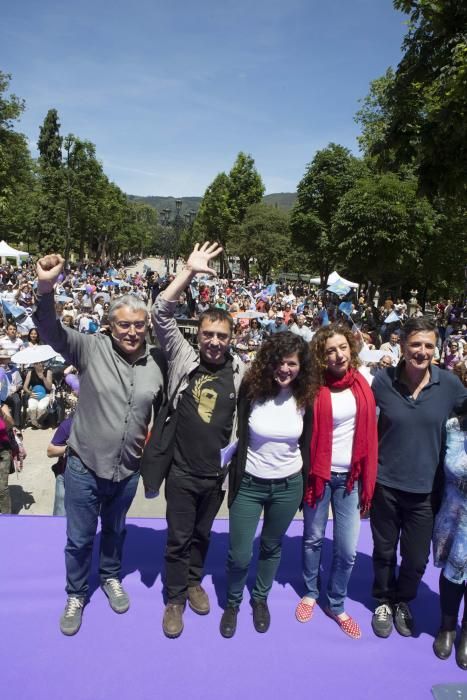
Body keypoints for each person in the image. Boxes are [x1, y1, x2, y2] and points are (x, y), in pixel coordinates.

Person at [33, 253, 165, 636]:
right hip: (85, 467)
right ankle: (76, 593)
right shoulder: (90, 348)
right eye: (124, 325)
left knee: (116, 531)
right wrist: (45, 287)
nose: (132, 332)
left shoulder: (156, 361)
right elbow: (50, 330)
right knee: (78, 538)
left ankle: (109, 576)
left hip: (127, 469)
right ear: (110, 325)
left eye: (139, 325)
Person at [151, 242, 246, 639]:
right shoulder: (183, 358)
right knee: (177, 537)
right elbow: (160, 312)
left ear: (231, 337)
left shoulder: (240, 369)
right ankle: (174, 599)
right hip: (181, 471)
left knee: (202, 535)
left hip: (215, 475)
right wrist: (188, 272)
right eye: (208, 334)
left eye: (221, 336)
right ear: (199, 334)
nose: (213, 342)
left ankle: (194, 581)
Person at [370, 317, 467, 639]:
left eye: (428, 345)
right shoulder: (382, 382)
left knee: (415, 558)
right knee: (384, 551)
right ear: (402, 346)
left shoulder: (450, 386)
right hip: (385, 485)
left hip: (426, 491)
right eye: (415, 344)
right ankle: (384, 599)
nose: (421, 351)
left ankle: (403, 601)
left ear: (436, 349)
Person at [220, 332, 313, 638]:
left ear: (301, 366)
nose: (285, 369)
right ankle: (232, 603)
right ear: (267, 362)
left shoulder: (306, 396)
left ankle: (260, 599)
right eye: (278, 362)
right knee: (240, 554)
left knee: (272, 546)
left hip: (288, 486)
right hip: (249, 483)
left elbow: (310, 441)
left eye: (291, 363)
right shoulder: (252, 389)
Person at [294, 323, 377, 639]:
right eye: (330, 350)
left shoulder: (365, 383)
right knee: (313, 538)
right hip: (319, 476)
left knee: (347, 550)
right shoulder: (313, 388)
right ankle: (312, 592)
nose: (338, 354)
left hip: (351, 479)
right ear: (321, 355)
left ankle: (336, 602)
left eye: (342, 347)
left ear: (351, 349)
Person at [432, 362, 467, 670]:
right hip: (455, 514)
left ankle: (466, 631)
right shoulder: (454, 427)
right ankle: (447, 626)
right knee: (451, 575)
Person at [23, 361, 53, 428]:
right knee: (32, 408)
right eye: (37, 363)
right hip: (34, 395)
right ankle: (36, 423)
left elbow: (49, 387)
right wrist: (30, 393)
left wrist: (43, 378)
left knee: (41, 408)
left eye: (41, 362)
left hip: (45, 395)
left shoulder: (48, 372)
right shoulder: (30, 373)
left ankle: (37, 420)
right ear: (34, 365)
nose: (40, 364)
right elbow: (25, 387)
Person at [0, 403, 14, 514]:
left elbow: (10, 424)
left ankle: (6, 520)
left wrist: (2, 414)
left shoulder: (2, 405)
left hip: (3, 450)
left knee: (1, 488)